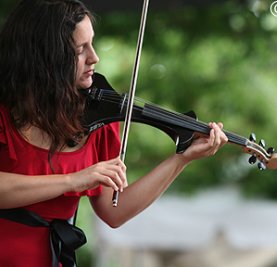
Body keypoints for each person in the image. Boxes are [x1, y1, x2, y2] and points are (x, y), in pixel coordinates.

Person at [0, 0, 228, 266]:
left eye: (92, 43)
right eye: (80, 49)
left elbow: (114, 211)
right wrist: (74, 180)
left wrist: (181, 159)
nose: (94, 57)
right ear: (46, 56)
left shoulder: (98, 120)